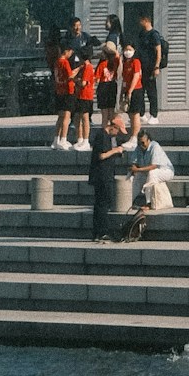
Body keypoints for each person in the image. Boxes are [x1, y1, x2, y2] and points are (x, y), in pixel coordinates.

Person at [89, 110, 131, 241]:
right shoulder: (102, 135)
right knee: (103, 204)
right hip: (102, 175)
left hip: (105, 174)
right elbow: (101, 155)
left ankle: (98, 232)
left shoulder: (109, 137)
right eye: (118, 131)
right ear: (113, 127)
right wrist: (115, 150)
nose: (117, 134)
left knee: (101, 203)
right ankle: (101, 231)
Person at [52, 27, 79, 149]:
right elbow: (70, 75)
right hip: (67, 90)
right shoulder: (65, 62)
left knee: (60, 116)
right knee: (67, 116)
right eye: (70, 51)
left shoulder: (57, 61)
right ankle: (63, 138)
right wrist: (79, 68)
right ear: (66, 51)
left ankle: (56, 139)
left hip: (59, 90)